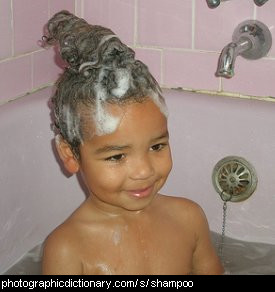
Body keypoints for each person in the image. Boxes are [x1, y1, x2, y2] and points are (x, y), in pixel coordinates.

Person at [42, 10, 224, 275]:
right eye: (117, 157)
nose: (144, 171)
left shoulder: (189, 218)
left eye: (157, 146)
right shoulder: (68, 249)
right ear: (70, 155)